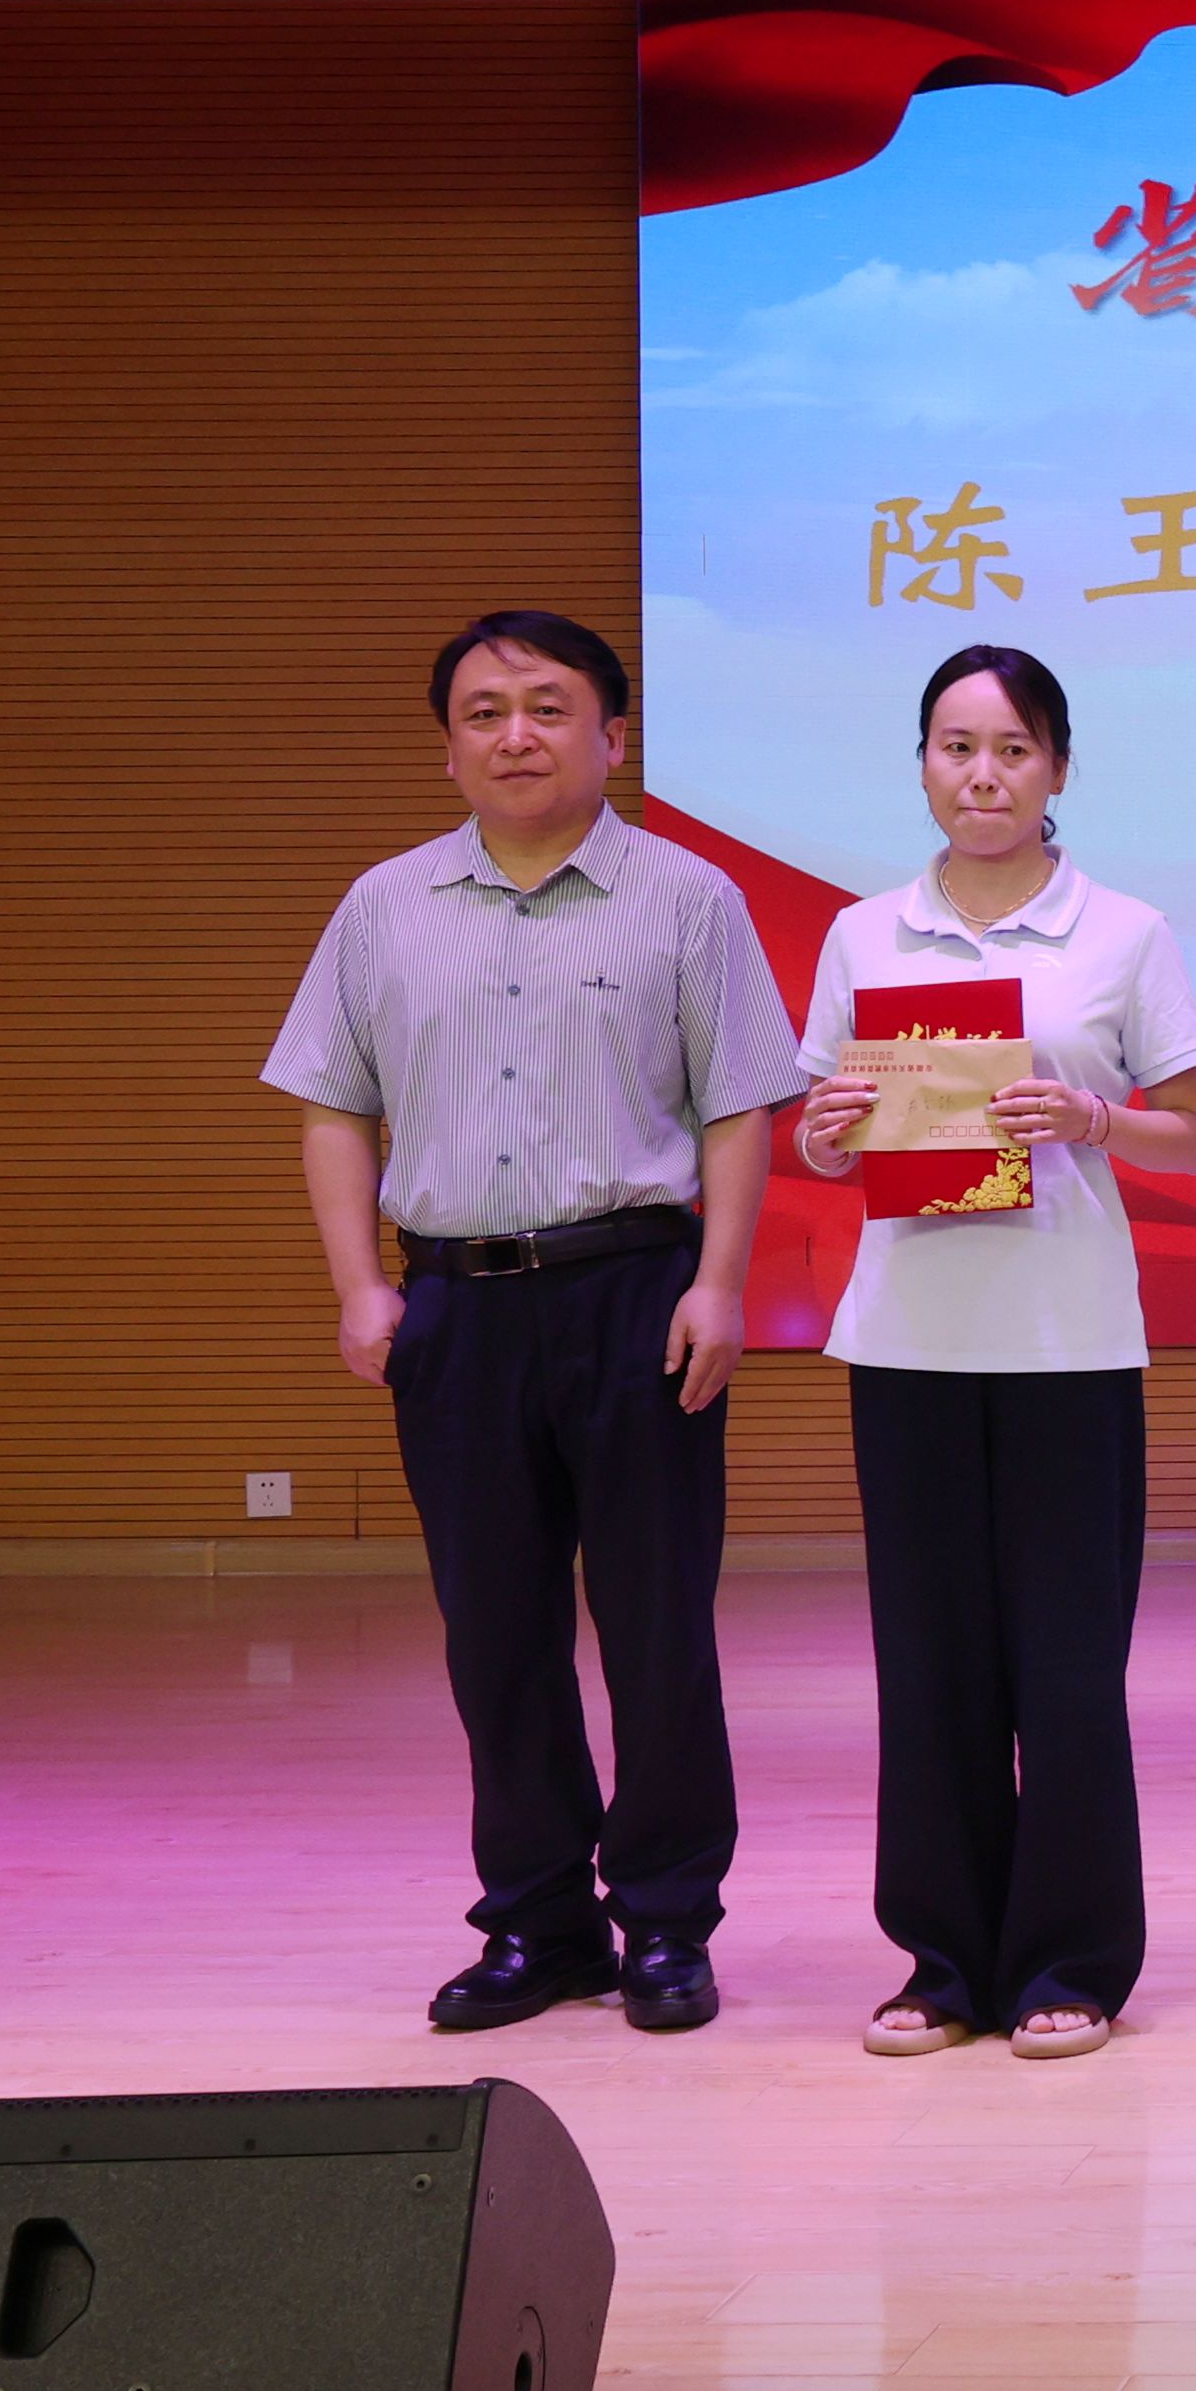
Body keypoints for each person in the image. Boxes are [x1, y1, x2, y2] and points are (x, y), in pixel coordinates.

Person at [264, 610, 795, 2035]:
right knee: (493, 1633)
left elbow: (738, 1106)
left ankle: (667, 1920)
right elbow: (333, 1106)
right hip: (457, 1304)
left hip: (637, 1293)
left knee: (657, 1629)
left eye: (549, 708)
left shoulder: (688, 899)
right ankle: (539, 1923)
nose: (516, 735)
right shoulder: (384, 907)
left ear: (612, 737)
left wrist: (721, 1282)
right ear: (448, 748)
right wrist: (360, 1285)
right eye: (484, 713)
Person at [788, 647, 1196, 2064]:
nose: (983, 775)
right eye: (956, 746)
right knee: (928, 1665)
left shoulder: (1124, 933)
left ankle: (1070, 1961)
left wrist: (1092, 1121)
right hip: (906, 1340)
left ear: (1058, 769)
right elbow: (823, 1128)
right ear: (922, 763)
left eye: (1014, 749)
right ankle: (941, 1963)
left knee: (1070, 1671)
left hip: (1068, 1342)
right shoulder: (865, 936)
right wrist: (826, 1133)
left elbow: (1191, 1137)